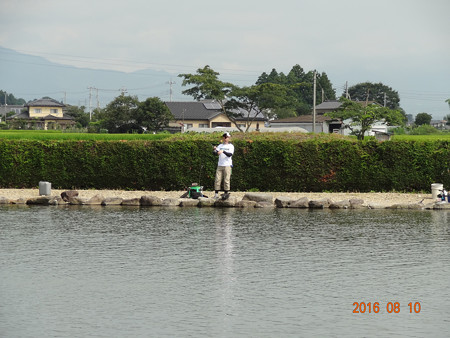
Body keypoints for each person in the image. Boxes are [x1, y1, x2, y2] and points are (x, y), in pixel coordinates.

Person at [213, 132, 234, 199]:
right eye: (224, 137)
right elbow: (215, 153)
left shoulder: (231, 146)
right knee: (217, 179)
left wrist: (223, 151)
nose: (225, 138)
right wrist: (215, 150)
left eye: (227, 137)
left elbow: (230, 154)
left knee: (226, 180)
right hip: (220, 165)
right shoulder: (220, 146)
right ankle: (216, 194)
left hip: (227, 165)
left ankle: (226, 193)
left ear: (229, 138)